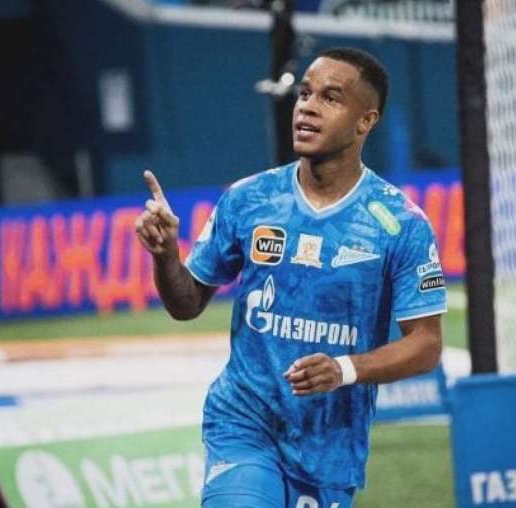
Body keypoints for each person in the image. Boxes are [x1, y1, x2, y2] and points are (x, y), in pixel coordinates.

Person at [135, 47, 447, 508]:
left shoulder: (401, 224)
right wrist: (165, 257)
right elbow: (186, 304)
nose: (307, 107)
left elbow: (426, 344)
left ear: (365, 121)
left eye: (330, 98)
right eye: (304, 94)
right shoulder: (248, 199)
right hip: (243, 422)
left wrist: (343, 369)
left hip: (329, 444)